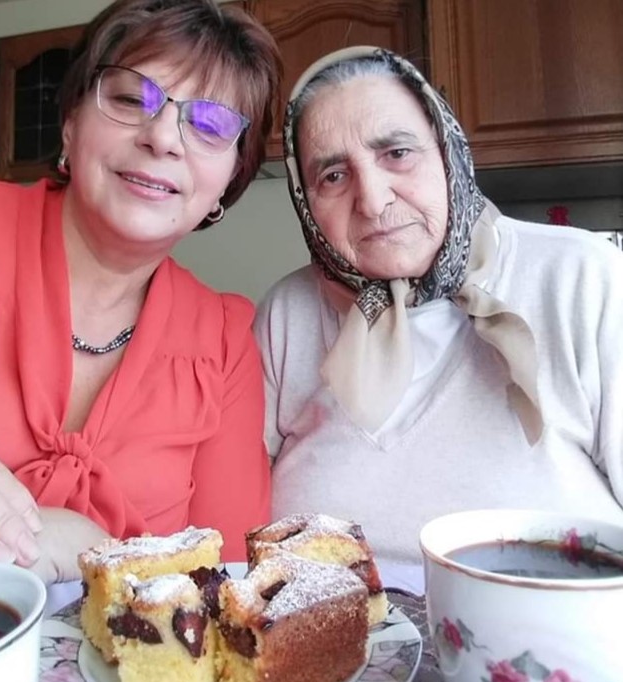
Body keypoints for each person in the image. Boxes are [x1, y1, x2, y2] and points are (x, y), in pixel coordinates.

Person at [0, 0, 282, 579]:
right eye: (131, 99)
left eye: (210, 125)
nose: (163, 138)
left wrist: (95, 550)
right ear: (71, 121)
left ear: (229, 180)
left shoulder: (224, 341)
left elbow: (229, 582)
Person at [255, 46, 623, 563]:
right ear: (306, 201)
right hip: (333, 613)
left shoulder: (581, 278)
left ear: (448, 152)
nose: (373, 200)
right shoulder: (286, 315)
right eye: (333, 176)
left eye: (397, 153)